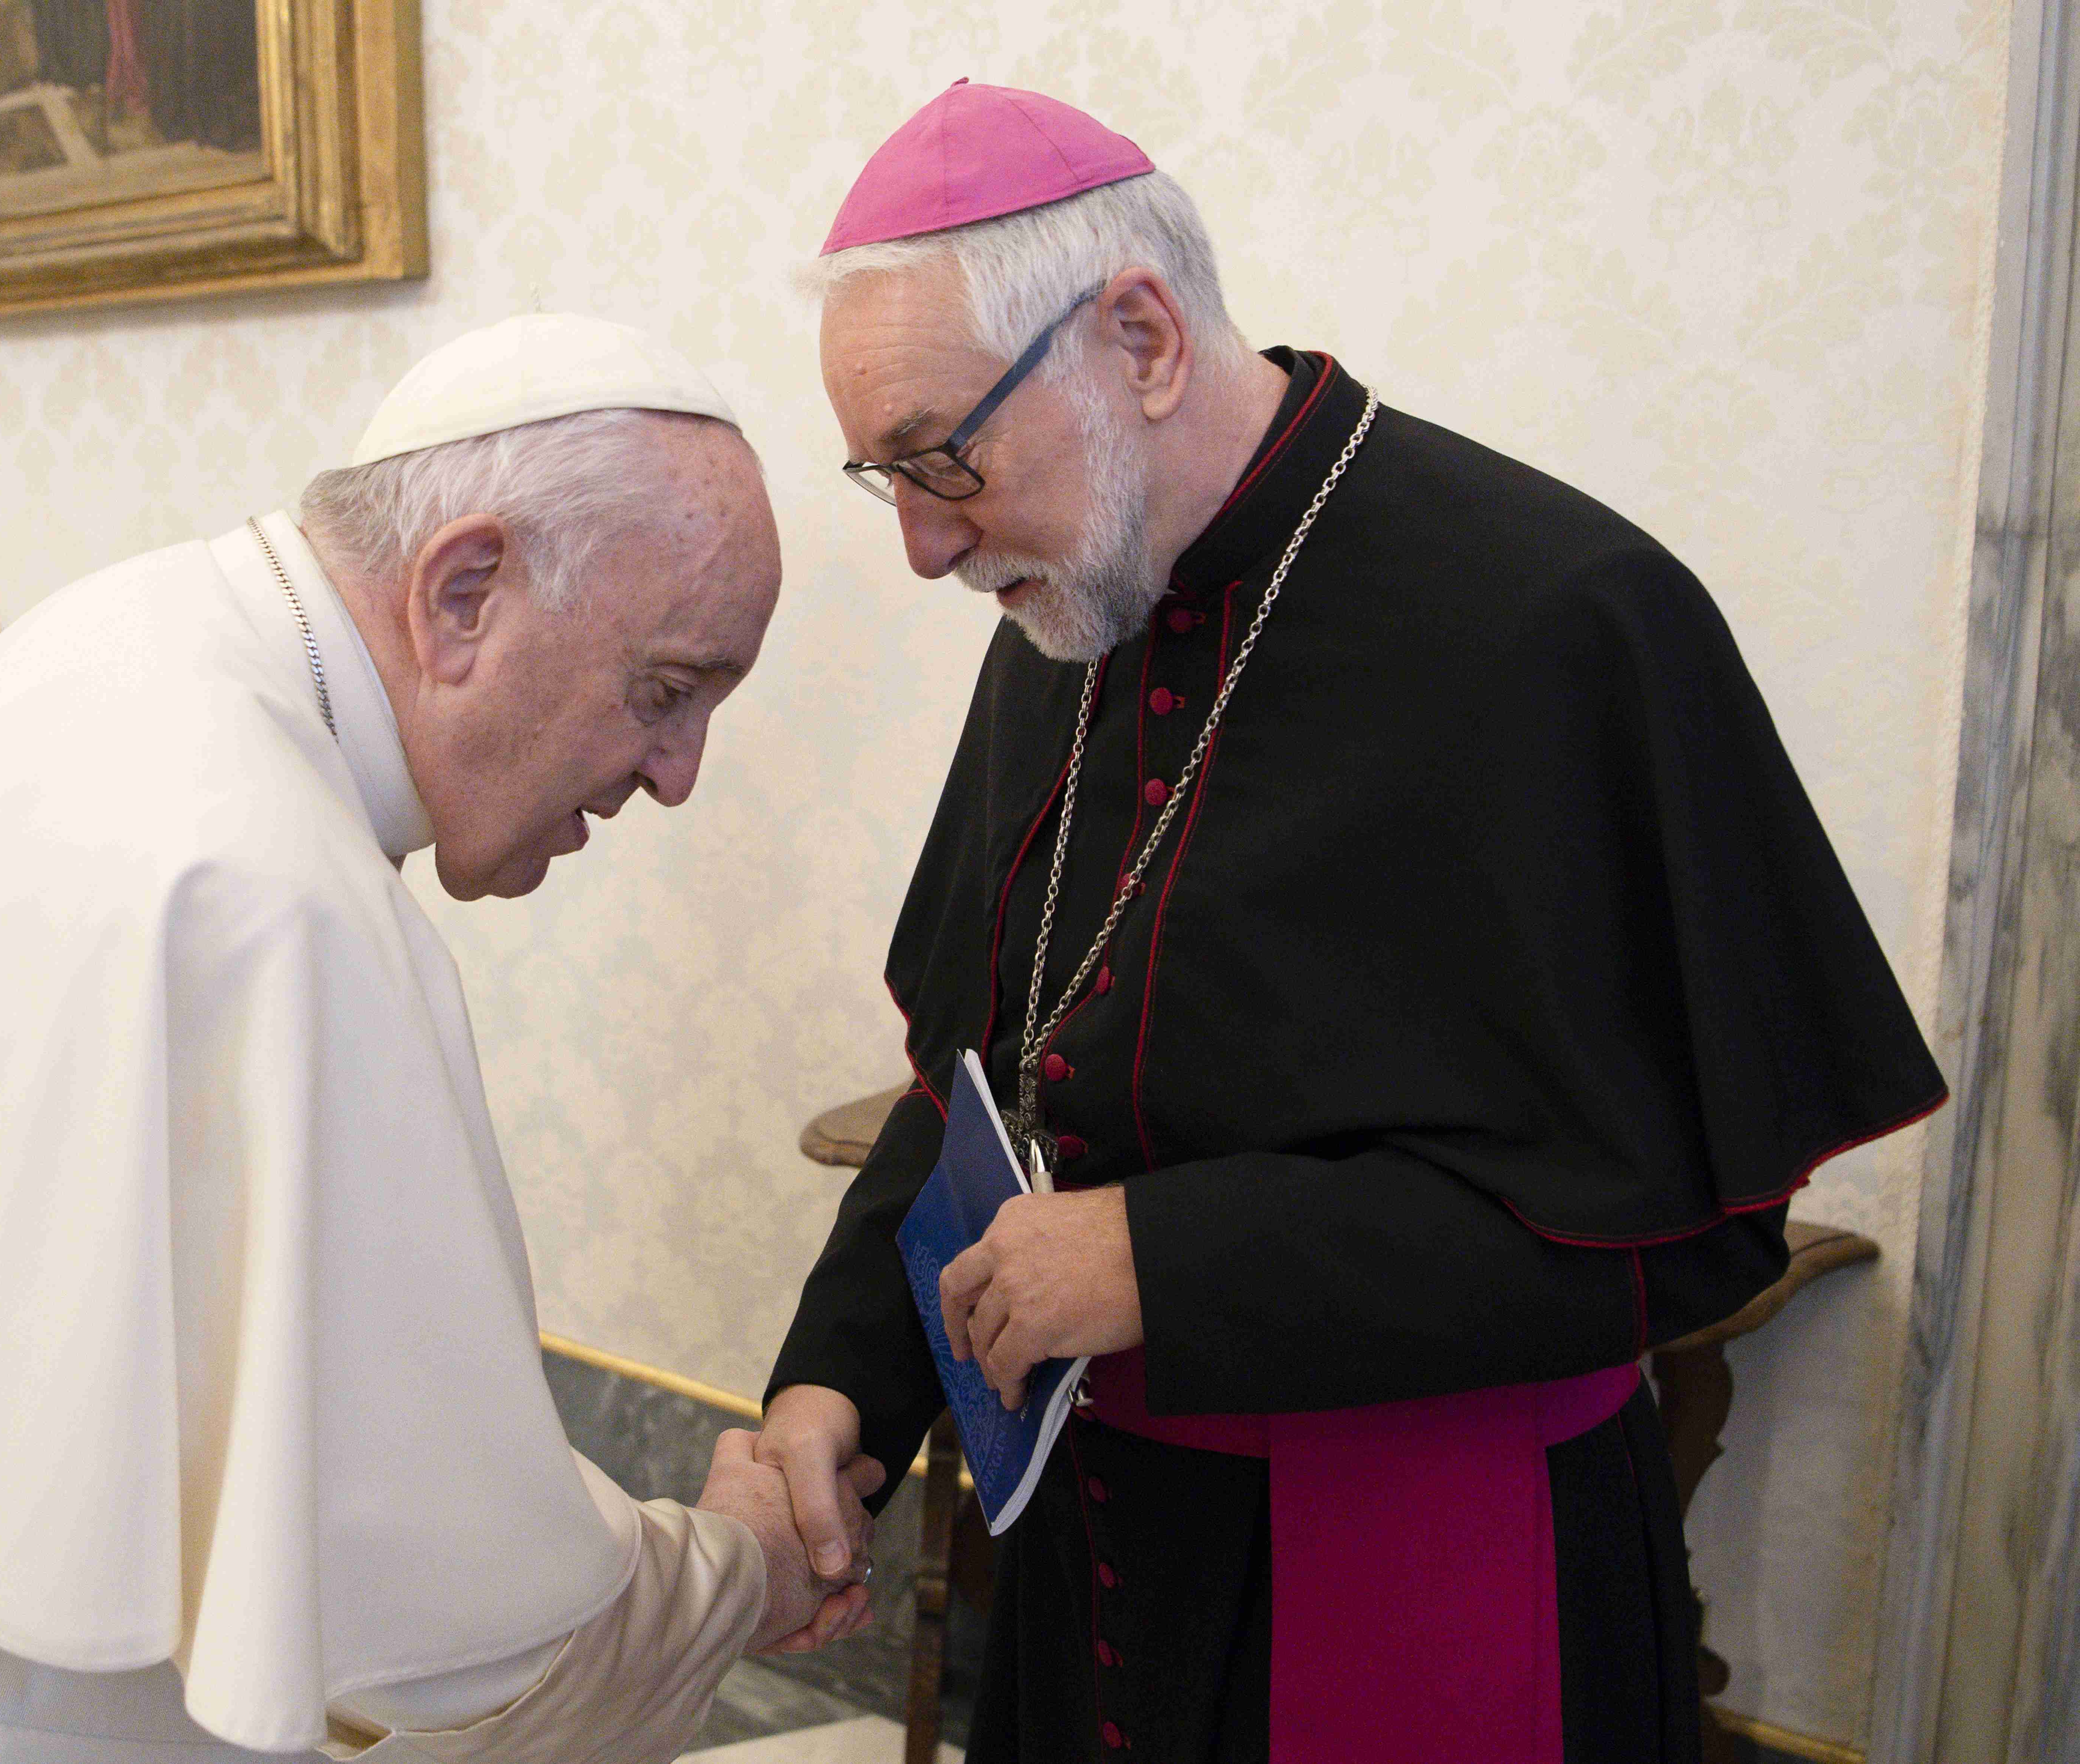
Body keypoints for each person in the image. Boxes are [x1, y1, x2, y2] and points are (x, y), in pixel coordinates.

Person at [0, 312, 876, 1763]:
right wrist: (735, 1570)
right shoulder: (267, 883)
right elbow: (465, 1642)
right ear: (464, 590)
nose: (677, 775)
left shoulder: (137, 629)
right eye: (665, 690)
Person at [757, 81, 1949, 1764]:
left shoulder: (1558, 623)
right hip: (1094, 1566)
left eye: (944, 460)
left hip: (1416, 1568)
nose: (923, 544)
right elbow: (973, 1085)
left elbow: (1699, 1226)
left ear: (1142, 339)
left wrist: (1162, 1261)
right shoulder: (1066, 606)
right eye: (884, 474)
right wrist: (831, 1386)